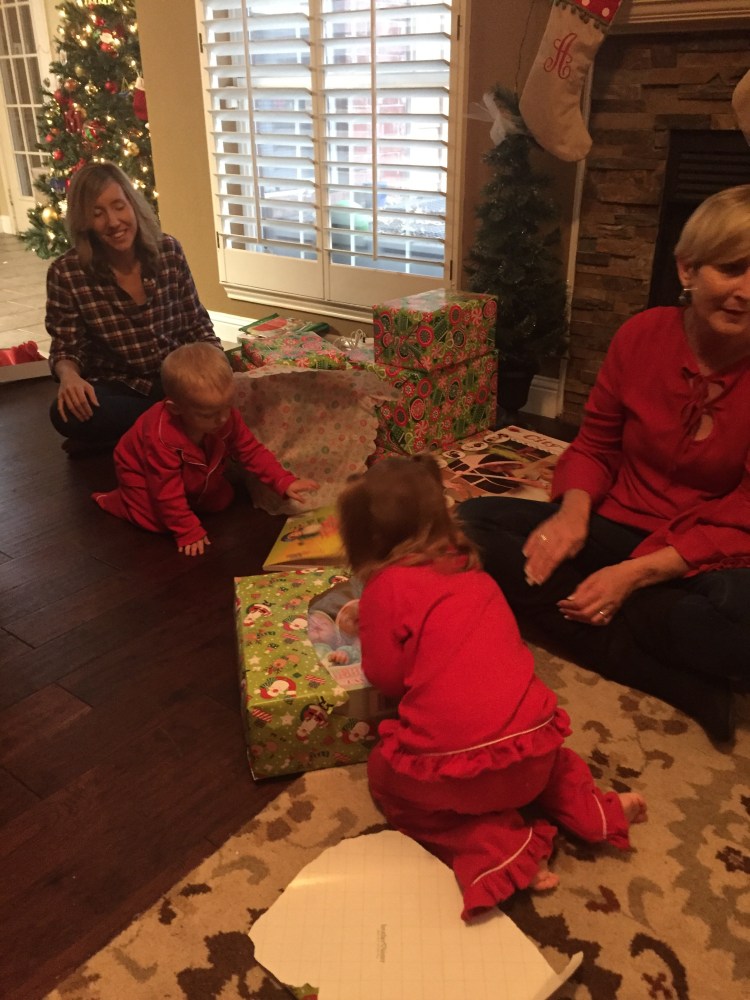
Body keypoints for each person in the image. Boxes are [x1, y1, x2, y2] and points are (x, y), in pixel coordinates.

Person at [460, 184, 750, 744]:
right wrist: (572, 516)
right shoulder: (641, 335)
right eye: (732, 268)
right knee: (471, 526)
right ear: (688, 269)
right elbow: (595, 444)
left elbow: (745, 509)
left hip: (706, 549)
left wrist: (634, 576)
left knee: (739, 623)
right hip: (619, 522)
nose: (746, 291)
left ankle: (611, 619)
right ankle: (670, 673)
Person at [336, 454, 646, 920]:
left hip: (465, 781)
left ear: (365, 541)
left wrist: (373, 632)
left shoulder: (385, 588)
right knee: (551, 758)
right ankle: (589, 809)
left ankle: (495, 845)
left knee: (386, 775)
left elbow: (386, 678)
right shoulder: (473, 570)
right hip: (534, 756)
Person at [46, 161, 221, 454]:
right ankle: (179, 426)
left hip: (177, 378)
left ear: (133, 205)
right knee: (64, 413)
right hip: (120, 386)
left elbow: (196, 324)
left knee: (227, 389)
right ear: (84, 222)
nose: (113, 222)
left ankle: (139, 436)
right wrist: (69, 377)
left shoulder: (169, 250)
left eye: (119, 206)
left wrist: (216, 367)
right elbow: (66, 347)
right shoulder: (66, 273)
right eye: (97, 214)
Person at [92, 342, 319, 556]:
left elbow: (250, 450)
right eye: (208, 414)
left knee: (222, 500)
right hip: (142, 472)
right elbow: (165, 487)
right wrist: (187, 530)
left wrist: (283, 480)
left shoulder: (223, 418)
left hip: (193, 466)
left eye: (227, 407)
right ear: (175, 409)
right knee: (156, 521)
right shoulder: (160, 436)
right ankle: (118, 501)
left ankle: (185, 504)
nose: (222, 419)